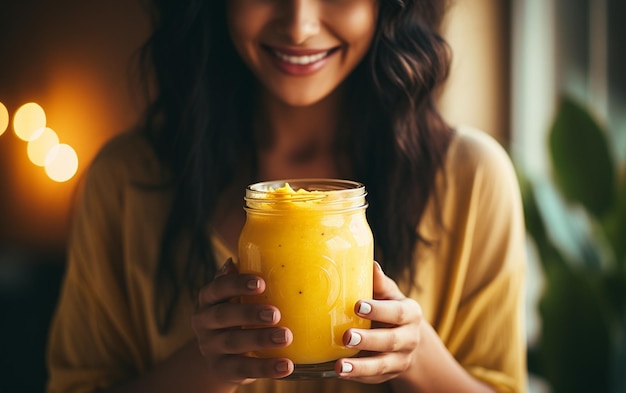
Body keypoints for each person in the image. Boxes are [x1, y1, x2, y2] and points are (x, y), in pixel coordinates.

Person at [46, 0, 527, 392]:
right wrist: (206, 365)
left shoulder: (473, 180)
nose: (299, 25)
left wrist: (418, 356)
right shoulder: (124, 182)